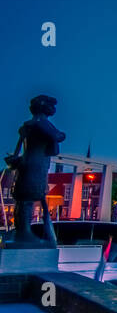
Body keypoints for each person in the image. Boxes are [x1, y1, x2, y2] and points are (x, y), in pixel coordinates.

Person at [5, 95, 65, 245]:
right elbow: (57, 136)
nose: (54, 109)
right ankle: (24, 232)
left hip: (29, 163)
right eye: (51, 106)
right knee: (28, 199)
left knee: (25, 199)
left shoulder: (29, 125)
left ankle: (22, 231)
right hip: (36, 165)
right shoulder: (41, 123)